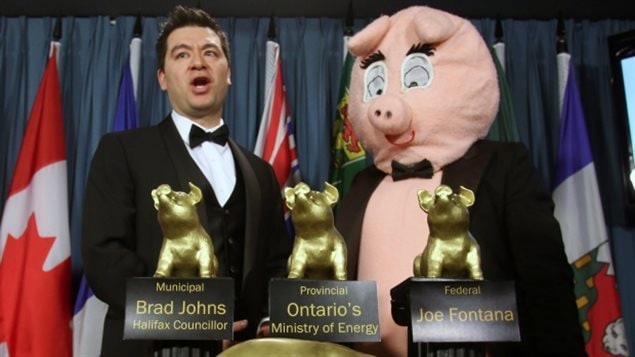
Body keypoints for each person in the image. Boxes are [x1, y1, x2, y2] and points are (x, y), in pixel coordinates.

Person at [82, 5, 292, 356]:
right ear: (162, 78)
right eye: (182, 54)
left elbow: (276, 264)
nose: (198, 62)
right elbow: (105, 258)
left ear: (228, 73)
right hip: (150, 349)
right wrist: (196, 322)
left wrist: (271, 320)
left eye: (210, 52)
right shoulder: (121, 151)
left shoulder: (261, 172)